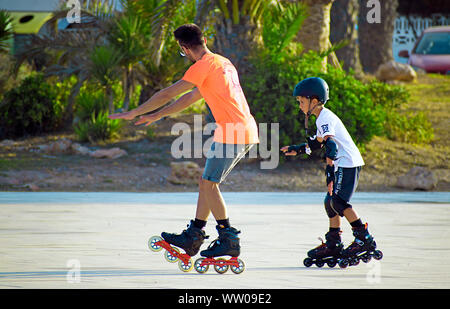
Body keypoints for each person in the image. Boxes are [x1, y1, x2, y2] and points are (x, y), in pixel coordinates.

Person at [109, 24, 259, 260]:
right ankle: (194, 234)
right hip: (236, 128)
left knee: (210, 183)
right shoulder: (222, 62)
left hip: (234, 131)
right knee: (205, 182)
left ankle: (228, 238)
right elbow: (190, 97)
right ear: (204, 40)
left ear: (185, 48)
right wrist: (158, 115)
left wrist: (134, 112)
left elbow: (167, 93)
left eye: (181, 51)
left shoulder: (203, 66)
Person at [280, 77, 379, 266]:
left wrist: (329, 172)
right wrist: (299, 149)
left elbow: (331, 146)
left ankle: (364, 239)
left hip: (348, 162)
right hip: (345, 162)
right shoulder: (322, 118)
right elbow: (318, 143)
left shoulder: (325, 118)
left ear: (314, 101)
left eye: (301, 101)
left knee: (339, 202)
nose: (299, 105)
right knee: (330, 202)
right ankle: (334, 243)